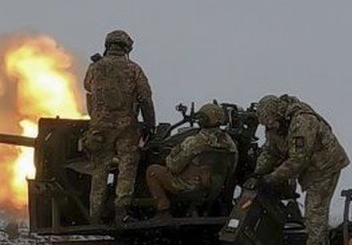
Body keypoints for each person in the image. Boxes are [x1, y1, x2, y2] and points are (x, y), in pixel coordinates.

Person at [250, 94, 349, 245]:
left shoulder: (303, 122)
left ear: (278, 114)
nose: (269, 126)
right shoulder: (273, 126)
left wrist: (271, 179)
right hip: (309, 168)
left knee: (315, 210)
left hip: (325, 166)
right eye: (266, 124)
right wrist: (257, 174)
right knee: (309, 211)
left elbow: (298, 161)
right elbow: (269, 152)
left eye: (271, 122)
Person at [83, 30, 156, 224]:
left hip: (99, 128)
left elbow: (88, 89)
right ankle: (121, 213)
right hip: (126, 128)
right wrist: (150, 126)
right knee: (127, 167)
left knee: (99, 170)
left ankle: (94, 215)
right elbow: (145, 99)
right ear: (126, 48)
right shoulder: (133, 69)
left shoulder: (94, 67)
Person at [146, 102, 237, 219]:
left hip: (190, 187)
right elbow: (232, 167)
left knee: (152, 171)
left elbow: (174, 167)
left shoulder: (195, 141)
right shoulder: (230, 143)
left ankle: (163, 211)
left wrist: (171, 155)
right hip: (215, 188)